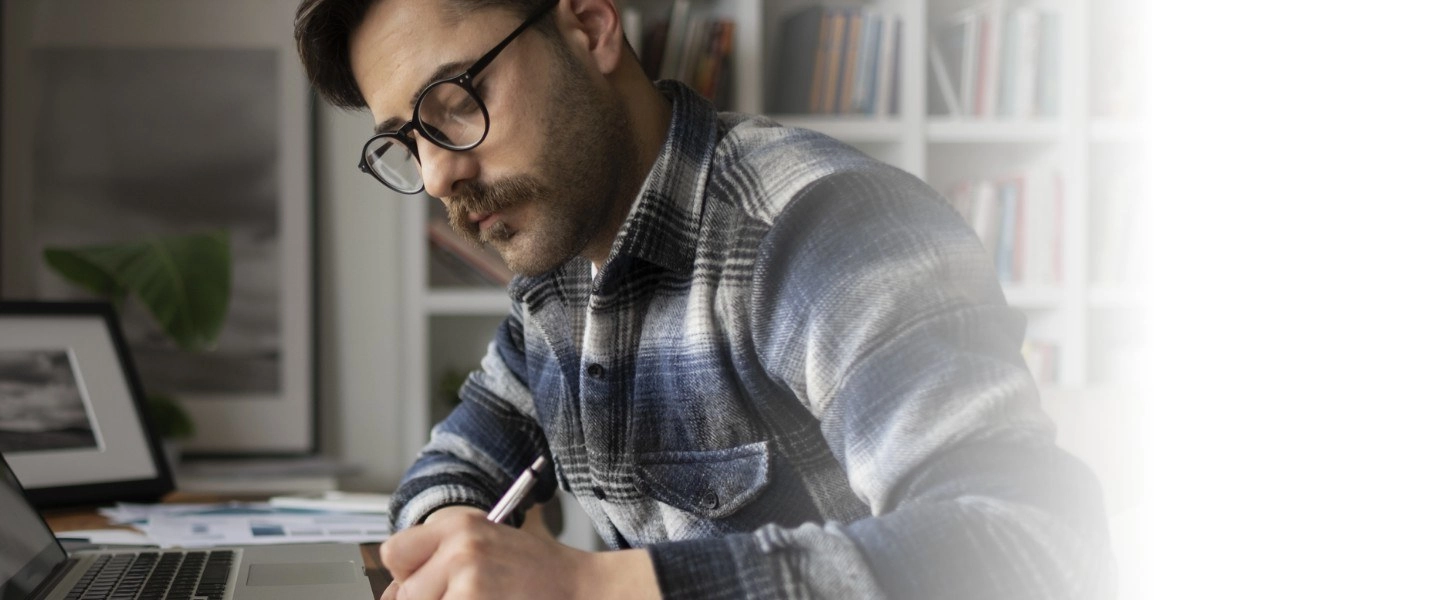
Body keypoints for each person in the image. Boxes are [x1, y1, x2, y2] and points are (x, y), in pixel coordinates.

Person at [294, 0, 1114, 597]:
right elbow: (460, 459)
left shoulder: (821, 229)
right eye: (407, 141)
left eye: (453, 102)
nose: (438, 175)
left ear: (587, 24)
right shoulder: (557, 274)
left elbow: (1033, 547)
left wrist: (592, 589)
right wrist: (447, 551)